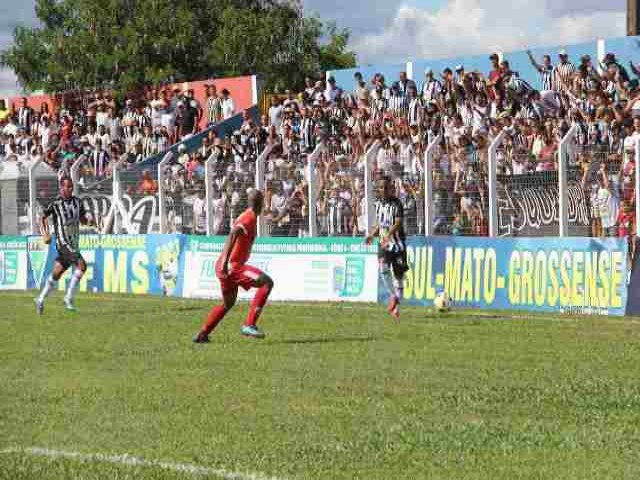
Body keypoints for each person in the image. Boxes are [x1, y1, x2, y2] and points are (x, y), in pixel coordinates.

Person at [193, 189, 274, 342]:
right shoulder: (249, 217)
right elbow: (233, 233)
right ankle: (249, 324)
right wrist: (225, 260)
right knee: (267, 282)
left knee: (228, 303)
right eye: (263, 202)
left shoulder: (249, 216)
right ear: (259, 204)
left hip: (227, 266)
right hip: (233, 267)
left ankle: (203, 334)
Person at [35, 177, 93, 313]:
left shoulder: (78, 202)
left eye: (71, 186)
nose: (70, 189)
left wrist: (91, 221)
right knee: (82, 265)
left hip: (73, 242)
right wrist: (45, 233)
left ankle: (40, 299)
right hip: (63, 243)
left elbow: (83, 220)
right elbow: (42, 217)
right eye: (67, 186)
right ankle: (68, 298)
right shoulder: (56, 204)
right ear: (61, 187)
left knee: (57, 273)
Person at [365, 177, 408, 321]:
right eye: (381, 188)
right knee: (382, 266)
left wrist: (389, 234)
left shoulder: (397, 203)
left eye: (386, 187)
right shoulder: (378, 204)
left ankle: (396, 305)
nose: (384, 190)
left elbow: (398, 222)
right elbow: (380, 223)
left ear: (391, 188)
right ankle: (392, 296)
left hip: (397, 245)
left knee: (398, 277)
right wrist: (371, 235)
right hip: (384, 243)